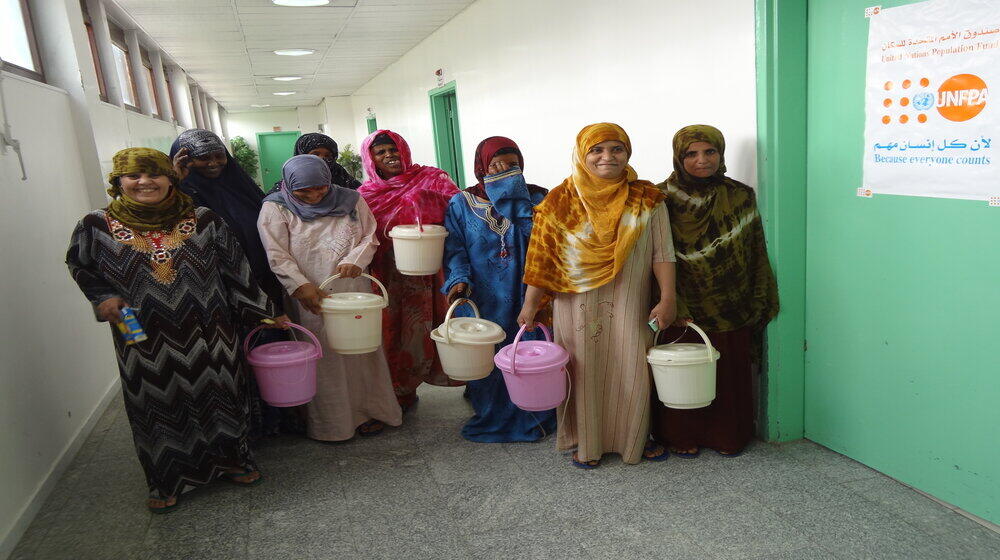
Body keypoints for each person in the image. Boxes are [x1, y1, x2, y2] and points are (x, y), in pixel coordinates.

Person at [66, 148, 288, 512]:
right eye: (133, 176)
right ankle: (165, 479)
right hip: (141, 334)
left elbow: (236, 271)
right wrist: (102, 296)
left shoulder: (204, 220)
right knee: (154, 402)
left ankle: (233, 461)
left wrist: (266, 312)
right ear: (118, 182)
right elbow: (80, 264)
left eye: (154, 174)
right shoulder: (95, 225)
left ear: (170, 177)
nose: (144, 182)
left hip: (212, 330)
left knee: (222, 391)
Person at [516, 123, 677, 468]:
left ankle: (634, 438)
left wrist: (667, 298)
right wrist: (530, 304)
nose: (608, 157)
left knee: (631, 367)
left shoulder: (647, 199)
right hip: (575, 307)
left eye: (617, 148)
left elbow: (662, 254)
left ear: (628, 153)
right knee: (584, 370)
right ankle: (586, 441)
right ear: (581, 154)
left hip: (631, 302)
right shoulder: (558, 202)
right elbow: (541, 261)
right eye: (597, 150)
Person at [650, 125, 779, 457]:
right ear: (679, 157)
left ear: (721, 154)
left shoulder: (739, 194)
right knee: (683, 370)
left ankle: (727, 437)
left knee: (726, 372)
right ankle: (681, 436)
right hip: (681, 300)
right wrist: (668, 299)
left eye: (710, 152)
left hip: (730, 299)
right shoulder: (659, 198)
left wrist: (755, 294)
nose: (702, 160)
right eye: (691, 154)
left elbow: (753, 249)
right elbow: (654, 254)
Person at [258, 155, 402, 441]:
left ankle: (369, 411)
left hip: (352, 286)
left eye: (320, 189)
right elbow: (277, 254)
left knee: (361, 350)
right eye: (304, 192)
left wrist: (356, 259)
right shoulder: (275, 208)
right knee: (323, 352)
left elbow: (369, 236)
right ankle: (332, 424)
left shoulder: (351, 200)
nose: (313, 196)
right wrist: (300, 286)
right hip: (311, 292)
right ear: (288, 186)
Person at [169, 129, 293, 437]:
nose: (213, 163)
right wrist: (175, 181)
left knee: (266, 350)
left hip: (259, 287)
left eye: (218, 155)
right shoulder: (180, 198)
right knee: (228, 360)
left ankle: (276, 418)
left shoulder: (242, 187)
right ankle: (240, 430)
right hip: (212, 294)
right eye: (202, 158)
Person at [442, 136, 556, 442]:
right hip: (483, 293)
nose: (504, 170)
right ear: (481, 168)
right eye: (496, 165)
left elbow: (549, 247)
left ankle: (535, 411)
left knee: (527, 348)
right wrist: (458, 278)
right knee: (489, 353)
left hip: (529, 293)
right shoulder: (462, 203)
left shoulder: (538, 199)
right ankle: (490, 409)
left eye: (512, 165)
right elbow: (455, 248)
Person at [358, 129, 461, 410]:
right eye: (381, 152)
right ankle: (399, 390)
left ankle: (464, 378)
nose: (390, 155)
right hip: (387, 273)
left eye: (394, 149)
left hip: (425, 270)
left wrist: (428, 203)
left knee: (429, 328)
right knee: (392, 332)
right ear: (371, 160)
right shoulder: (365, 195)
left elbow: (458, 208)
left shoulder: (431, 178)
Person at [268, 132, 362, 194]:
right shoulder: (287, 186)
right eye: (315, 154)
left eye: (327, 155)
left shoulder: (341, 176)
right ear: (301, 155)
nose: (321, 159)